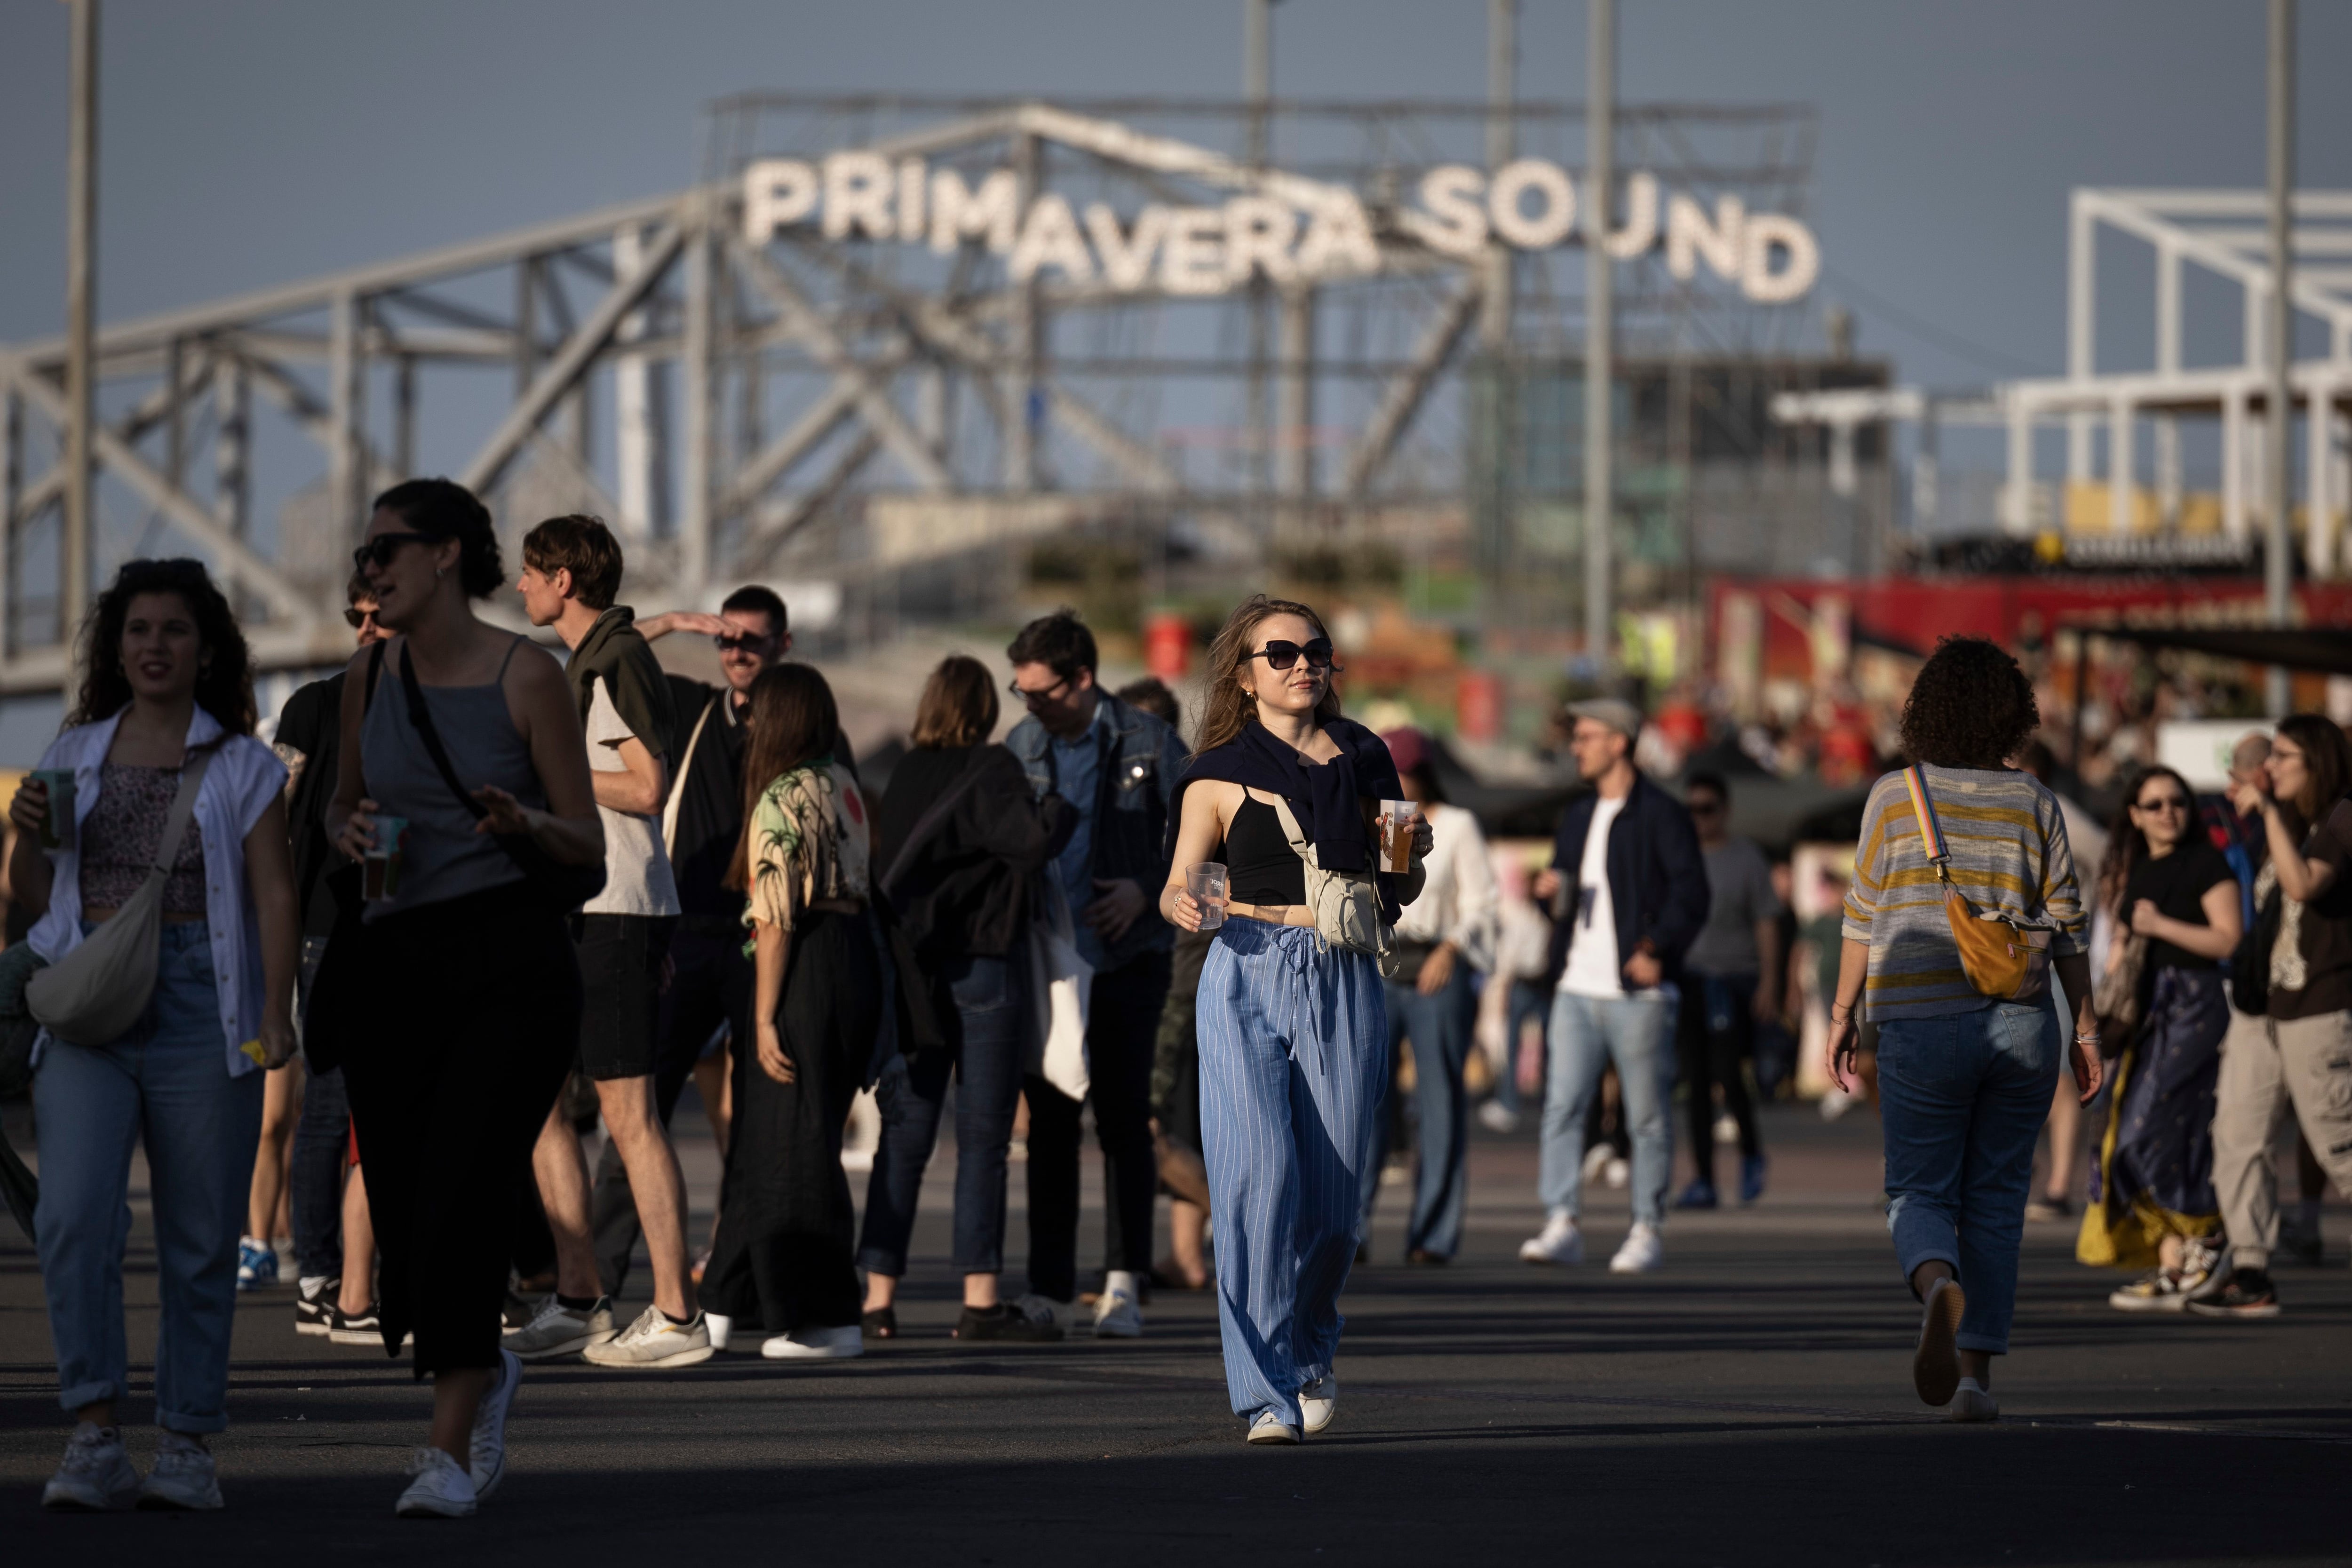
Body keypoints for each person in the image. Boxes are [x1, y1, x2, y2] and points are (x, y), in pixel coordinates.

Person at [330, 478, 605, 1516]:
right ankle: (480, 1365)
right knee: (404, 1199)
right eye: (362, 558)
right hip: (395, 956)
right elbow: (346, 814)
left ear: (447, 554)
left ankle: (448, 1443)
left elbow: (586, 842)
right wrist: (346, 836)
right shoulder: (369, 676)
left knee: (463, 1183)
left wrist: (525, 824)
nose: (368, 573)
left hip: (509, 960)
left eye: (384, 552)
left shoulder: (526, 675)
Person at [14, 558, 299, 1512]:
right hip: (92, 998)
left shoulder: (247, 764)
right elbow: (25, 905)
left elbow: (272, 892)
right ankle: (94, 1430)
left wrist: (274, 1014)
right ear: (116, 646)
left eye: (174, 630)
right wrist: (22, 841)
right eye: (138, 630)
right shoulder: (71, 753)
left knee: (199, 1233)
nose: (153, 646)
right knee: (74, 1216)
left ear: (205, 647)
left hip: (200, 1001)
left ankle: (186, 1442)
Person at [1160, 594, 1430, 1443]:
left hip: (1345, 972)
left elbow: (1400, 887)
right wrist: (1184, 904)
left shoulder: (1366, 754)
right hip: (1246, 966)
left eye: (1316, 650)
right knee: (1253, 1182)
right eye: (1279, 653)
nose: (1303, 663)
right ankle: (1264, 1390)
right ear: (1244, 676)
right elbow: (1182, 878)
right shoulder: (1215, 769)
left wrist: (1409, 856)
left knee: (1339, 1198)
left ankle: (1310, 1344)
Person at [1827, 635, 2101, 1423]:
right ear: (2014, 716)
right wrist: (2087, 1034)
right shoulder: (2037, 802)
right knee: (1998, 1196)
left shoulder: (1893, 795)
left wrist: (1844, 1015)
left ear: (1927, 709)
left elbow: (1860, 914)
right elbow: (2070, 928)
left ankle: (1935, 1280)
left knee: (1919, 1187)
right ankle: (1975, 1377)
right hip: (2021, 1021)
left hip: (1920, 1018)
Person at [505, 515, 708, 1370]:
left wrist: (541, 771)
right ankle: (580, 1294)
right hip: (581, 906)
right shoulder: (600, 653)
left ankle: (676, 1312)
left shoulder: (613, 659)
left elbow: (646, 784)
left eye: (528, 574)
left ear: (563, 580)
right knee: (539, 1103)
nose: (519, 588)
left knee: (629, 1114)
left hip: (615, 906)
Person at [858, 656, 1075, 1340]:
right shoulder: (994, 768)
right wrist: (1058, 807)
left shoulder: (905, 772)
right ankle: (980, 1300)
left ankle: (877, 1298)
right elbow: (1032, 842)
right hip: (983, 967)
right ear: (984, 709)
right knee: (983, 1139)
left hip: (913, 973)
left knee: (905, 1135)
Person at [595, 586, 793, 1289]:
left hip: (763, 936)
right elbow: (602, 661)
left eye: (751, 640)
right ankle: (599, 1274)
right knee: (636, 1104)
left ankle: (734, 1271)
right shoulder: (690, 706)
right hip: (687, 933)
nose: (735, 651)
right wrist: (675, 621)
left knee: (756, 1118)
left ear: (782, 647)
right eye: (725, 639)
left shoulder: (798, 725)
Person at [1003, 610, 1189, 1336]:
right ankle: (1048, 1285)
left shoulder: (1150, 740)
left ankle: (1123, 1283)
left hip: (1128, 958)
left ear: (1083, 679)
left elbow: (1207, 836)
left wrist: (1148, 885)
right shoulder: (1022, 744)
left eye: (1042, 692)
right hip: (1050, 962)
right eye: (1021, 693)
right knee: (1049, 1128)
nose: (1031, 706)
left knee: (1124, 1124)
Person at [700, 663, 881, 1359]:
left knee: (788, 1144)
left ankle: (821, 1316)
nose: (746, 722)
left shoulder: (780, 795)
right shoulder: (842, 783)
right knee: (773, 1137)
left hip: (803, 966)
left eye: (755, 712)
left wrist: (764, 1017)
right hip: (851, 958)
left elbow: (774, 918)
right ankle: (723, 1300)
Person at [1517, 698, 1708, 1274]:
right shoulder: (1577, 815)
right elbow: (1569, 895)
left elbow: (1691, 895)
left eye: (1586, 737)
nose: (1575, 747)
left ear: (1619, 742)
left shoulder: (1660, 814)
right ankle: (1561, 1223)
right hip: (1575, 983)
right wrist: (1547, 891)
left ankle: (1646, 1228)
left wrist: (1656, 950)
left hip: (1636, 991)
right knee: (1561, 1108)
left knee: (1645, 1117)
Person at [2190, 714, 2352, 1319]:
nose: (2269, 769)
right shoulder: (2280, 820)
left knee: (2338, 1140)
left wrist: (2272, 815)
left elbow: (2303, 884)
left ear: (2315, 762)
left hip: (2318, 1005)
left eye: (2282, 757)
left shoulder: (2338, 818)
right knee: (2236, 1133)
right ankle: (2251, 1268)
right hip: (2263, 1008)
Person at [274, 573, 392, 1342]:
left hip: (397, 923)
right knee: (328, 1105)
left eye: (381, 612)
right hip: (326, 923)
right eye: (358, 614)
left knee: (373, 1106)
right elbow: (273, 807)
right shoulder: (314, 704)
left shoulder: (420, 705)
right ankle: (318, 1273)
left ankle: (348, 1274)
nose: (368, 625)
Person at [2083, 764, 2238, 1310]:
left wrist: (2159, 927)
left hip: (2194, 1005)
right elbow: (2122, 948)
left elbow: (2228, 937)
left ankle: (2208, 1238)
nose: (2167, 812)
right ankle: (2174, 1263)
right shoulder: (2139, 870)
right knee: (2129, 1132)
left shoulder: (2204, 862)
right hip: (2147, 1012)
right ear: (2133, 815)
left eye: (2176, 802)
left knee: (2151, 1130)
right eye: (2154, 805)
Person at [1359, 726, 1497, 1264]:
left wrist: (1453, 948)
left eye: (1404, 772)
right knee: (1365, 1101)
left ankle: (1432, 1234)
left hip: (1438, 963)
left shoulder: (1457, 825)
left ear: (1424, 771)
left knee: (1439, 1100)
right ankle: (1351, 1231)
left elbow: (1483, 904)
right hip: (1380, 961)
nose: (1396, 782)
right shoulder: (1378, 817)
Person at [1673, 771, 1781, 1209]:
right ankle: (1703, 1179)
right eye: (1692, 810)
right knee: (1695, 1083)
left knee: (1729, 1074)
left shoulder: (1746, 858)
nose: (1699, 818)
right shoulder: (1679, 856)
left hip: (1734, 979)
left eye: (1707, 809)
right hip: (1688, 979)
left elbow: (1767, 921)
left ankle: (1752, 1155)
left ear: (1725, 810)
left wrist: (1771, 981)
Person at [2018, 740, 2109, 1224]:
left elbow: (2110, 857)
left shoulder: (2062, 816)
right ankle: (2032, 1170)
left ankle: (2058, 1186)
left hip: (2058, 956)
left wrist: (2091, 907)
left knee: (2056, 1075)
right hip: (2030, 954)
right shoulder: (2027, 811)